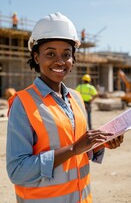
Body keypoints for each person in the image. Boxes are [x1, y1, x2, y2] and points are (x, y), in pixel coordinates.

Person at [6, 12, 124, 203]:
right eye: (50, 53)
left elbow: (79, 149)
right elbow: (17, 171)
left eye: (66, 54)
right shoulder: (23, 102)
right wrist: (73, 149)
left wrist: (100, 143)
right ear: (36, 57)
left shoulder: (76, 98)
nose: (60, 61)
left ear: (73, 59)